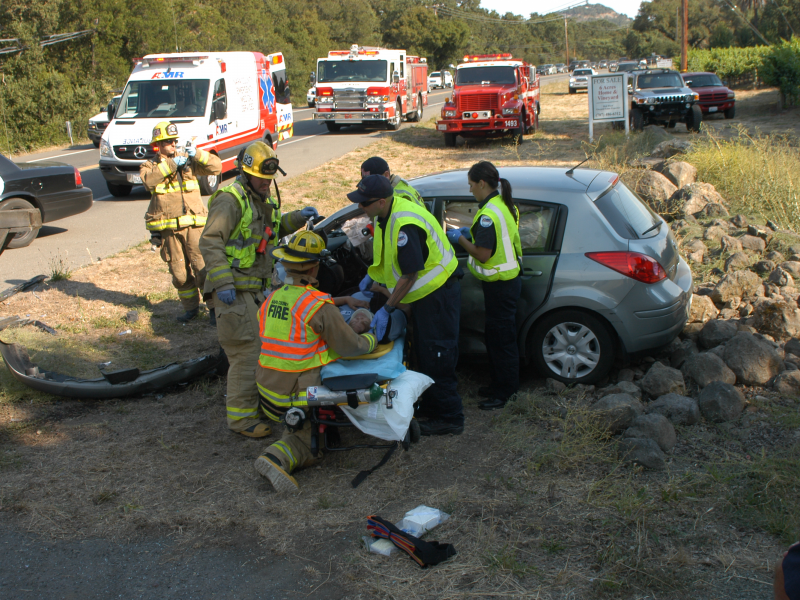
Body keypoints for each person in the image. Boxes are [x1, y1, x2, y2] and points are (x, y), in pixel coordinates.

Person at [199, 141, 318, 438]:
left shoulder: (258, 198)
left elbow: (270, 231)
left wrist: (297, 218)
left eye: (269, 179)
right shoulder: (230, 200)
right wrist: (223, 282)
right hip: (233, 292)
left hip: (252, 290)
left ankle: (254, 406)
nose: (266, 184)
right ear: (245, 173)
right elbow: (210, 241)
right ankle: (241, 419)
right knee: (246, 354)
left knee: (260, 350)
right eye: (261, 179)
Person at [254, 231, 378, 493]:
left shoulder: (272, 298)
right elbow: (349, 346)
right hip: (293, 395)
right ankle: (277, 457)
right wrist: (371, 339)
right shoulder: (318, 306)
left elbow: (296, 324)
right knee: (312, 444)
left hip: (265, 389)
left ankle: (290, 436)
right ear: (314, 267)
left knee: (300, 426)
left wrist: (341, 303)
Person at [350, 174, 464, 436]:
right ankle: (432, 407)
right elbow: (390, 261)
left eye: (364, 203)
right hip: (426, 296)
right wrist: (373, 278)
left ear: (381, 201)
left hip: (438, 293)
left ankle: (450, 417)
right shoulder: (385, 216)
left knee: (438, 353)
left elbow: (410, 274)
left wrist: (387, 307)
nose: (360, 207)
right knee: (425, 352)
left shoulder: (404, 223)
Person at [447, 161, 522, 411]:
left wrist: (460, 239)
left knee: (501, 342)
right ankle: (499, 384)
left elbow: (483, 254)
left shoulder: (488, 215)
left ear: (481, 183)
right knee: (498, 338)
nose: (470, 190)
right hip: (506, 283)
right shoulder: (504, 204)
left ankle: (505, 393)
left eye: (471, 185)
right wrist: (474, 233)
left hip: (501, 286)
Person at [140, 121, 222, 323]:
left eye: (174, 141)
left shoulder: (188, 160)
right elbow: (148, 181)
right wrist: (171, 164)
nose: (173, 144)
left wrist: (198, 154)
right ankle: (191, 309)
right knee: (179, 274)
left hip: (194, 226)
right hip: (169, 230)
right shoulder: (150, 166)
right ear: (158, 145)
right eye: (168, 141)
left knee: (202, 268)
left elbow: (216, 167)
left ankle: (213, 309)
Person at [360, 156, 425, 208]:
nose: (369, 187)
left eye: (373, 182)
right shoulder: (400, 186)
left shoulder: (397, 197)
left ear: (386, 175)